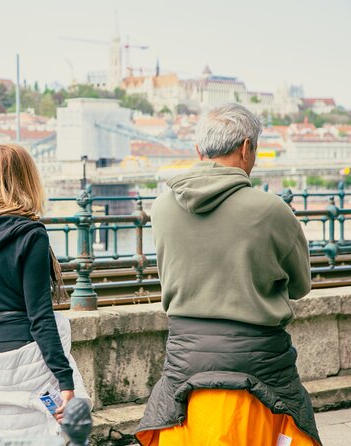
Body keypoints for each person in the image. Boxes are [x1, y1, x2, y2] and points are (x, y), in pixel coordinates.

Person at [135, 104, 322, 446]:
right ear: (247, 148)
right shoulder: (272, 211)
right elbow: (300, 286)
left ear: (198, 150)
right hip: (259, 362)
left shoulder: (161, 208)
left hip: (186, 359)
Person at [0, 143, 90, 439]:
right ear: (27, 178)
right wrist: (65, 381)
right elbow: (39, 316)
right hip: (28, 355)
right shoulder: (31, 233)